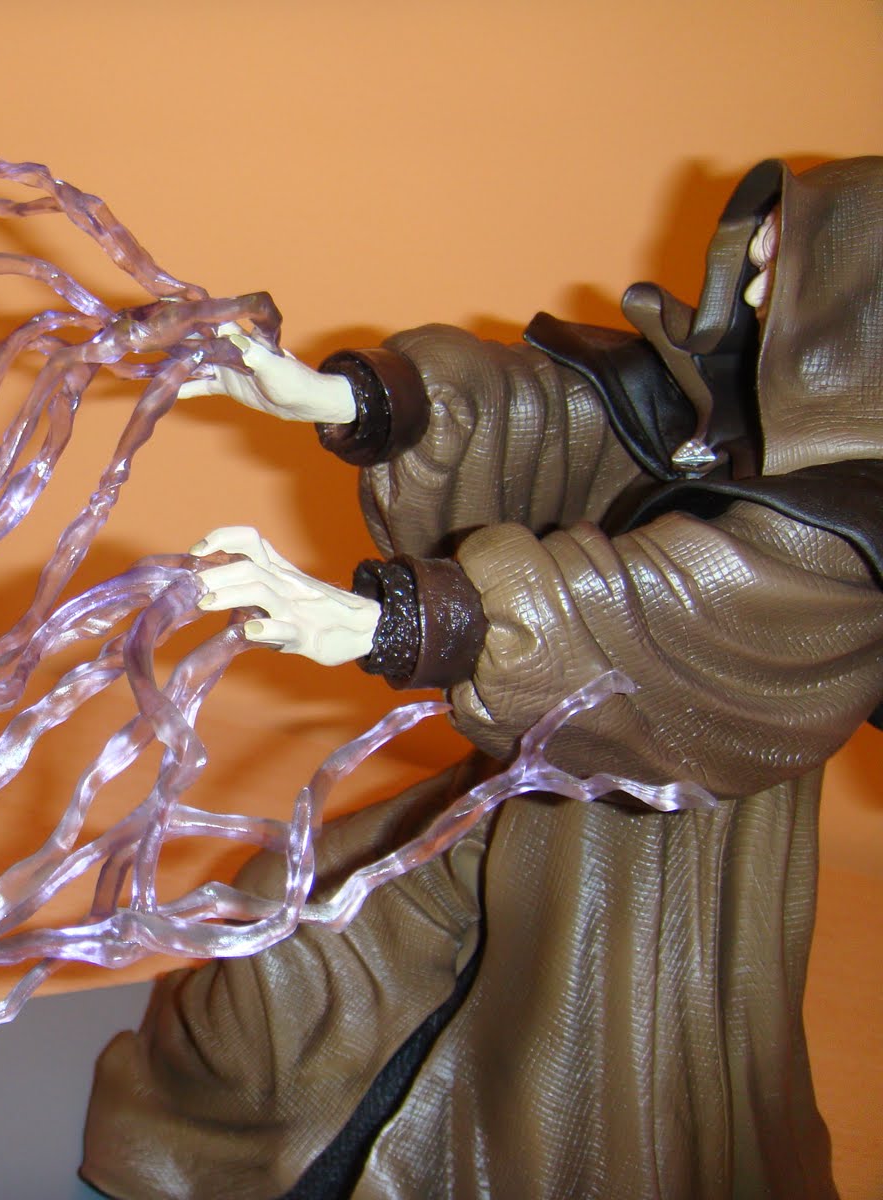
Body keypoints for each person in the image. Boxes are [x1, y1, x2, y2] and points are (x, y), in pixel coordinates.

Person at [81, 157, 883, 1198]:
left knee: (581, 1097)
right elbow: (551, 411)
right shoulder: (707, 407)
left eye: (793, 261)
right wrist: (335, 395)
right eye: (761, 252)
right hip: (531, 784)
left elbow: (680, 611)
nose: (758, 280)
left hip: (669, 854)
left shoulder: (848, 534)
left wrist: (394, 621)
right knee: (293, 925)